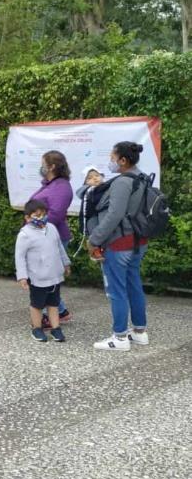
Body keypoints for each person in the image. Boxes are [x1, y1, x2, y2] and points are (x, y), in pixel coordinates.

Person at [88, 142, 151, 351]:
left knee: (116, 290)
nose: (110, 162)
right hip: (138, 242)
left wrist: (94, 239)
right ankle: (140, 332)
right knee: (134, 285)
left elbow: (114, 215)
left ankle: (120, 337)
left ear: (123, 160)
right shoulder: (141, 177)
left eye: (112, 157)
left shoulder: (122, 182)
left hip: (119, 243)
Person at [15, 199, 70, 343]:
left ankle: (56, 328)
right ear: (27, 218)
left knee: (54, 303)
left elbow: (59, 247)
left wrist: (66, 263)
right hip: (37, 277)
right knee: (37, 304)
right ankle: (37, 328)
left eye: (43, 214)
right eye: (37, 215)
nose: (41, 218)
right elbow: (19, 257)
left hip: (54, 275)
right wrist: (22, 276)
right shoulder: (24, 234)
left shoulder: (51, 228)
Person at [29, 150, 73, 325]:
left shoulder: (61, 186)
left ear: (52, 166)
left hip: (52, 238)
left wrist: (33, 226)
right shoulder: (50, 184)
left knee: (47, 278)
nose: (41, 167)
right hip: (42, 236)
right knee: (44, 277)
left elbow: (55, 214)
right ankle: (59, 310)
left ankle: (59, 312)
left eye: (43, 163)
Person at [76, 166, 106, 260]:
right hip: (91, 216)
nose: (94, 178)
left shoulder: (105, 187)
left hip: (101, 216)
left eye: (97, 175)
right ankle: (95, 251)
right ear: (86, 183)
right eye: (90, 178)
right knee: (94, 232)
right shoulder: (90, 191)